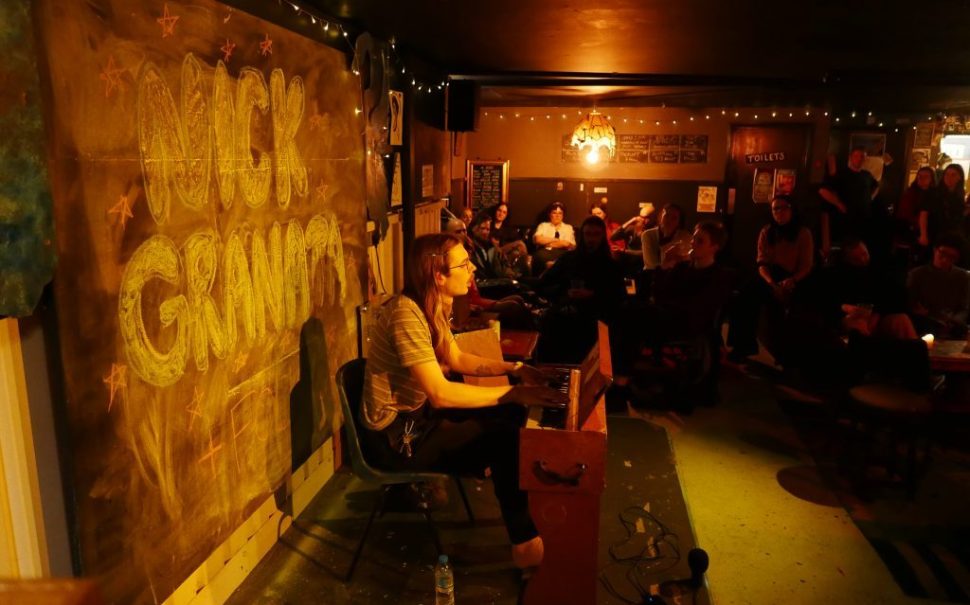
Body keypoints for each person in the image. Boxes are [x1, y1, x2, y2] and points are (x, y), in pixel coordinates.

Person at [361, 233, 567, 569]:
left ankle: (520, 515)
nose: (471, 268)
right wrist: (511, 391)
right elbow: (440, 394)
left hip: (418, 419)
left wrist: (515, 370)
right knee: (505, 438)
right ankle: (524, 542)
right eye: (462, 263)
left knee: (511, 416)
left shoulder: (429, 305)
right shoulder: (406, 314)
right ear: (438, 275)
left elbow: (456, 358)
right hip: (397, 439)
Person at [727, 195, 814, 362]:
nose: (779, 212)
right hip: (769, 276)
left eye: (784, 208)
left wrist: (792, 280)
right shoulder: (767, 232)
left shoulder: (803, 233)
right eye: (775, 209)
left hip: (793, 277)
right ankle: (743, 346)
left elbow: (806, 266)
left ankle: (787, 354)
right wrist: (770, 283)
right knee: (743, 296)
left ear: (792, 209)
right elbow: (762, 263)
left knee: (790, 305)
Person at [536, 215, 626, 362]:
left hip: (596, 316)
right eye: (588, 234)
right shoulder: (568, 259)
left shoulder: (610, 266)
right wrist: (565, 293)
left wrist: (593, 294)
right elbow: (543, 284)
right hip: (566, 310)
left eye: (596, 234)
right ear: (582, 236)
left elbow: (619, 296)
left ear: (602, 236)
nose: (591, 239)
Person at [818, 146, 879, 261]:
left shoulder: (867, 175)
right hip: (846, 219)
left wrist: (870, 197)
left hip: (864, 218)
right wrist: (838, 203)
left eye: (862, 156)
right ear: (851, 158)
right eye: (856, 156)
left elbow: (877, 186)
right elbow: (822, 191)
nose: (859, 159)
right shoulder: (842, 174)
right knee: (847, 250)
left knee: (861, 251)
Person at [907, 234, 970, 338]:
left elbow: (964, 308)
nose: (945, 259)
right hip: (925, 323)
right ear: (935, 250)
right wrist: (916, 309)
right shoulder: (917, 274)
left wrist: (954, 321)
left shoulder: (963, 277)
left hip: (952, 325)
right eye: (943, 253)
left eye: (951, 257)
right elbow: (910, 301)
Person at [896, 167, 934, 262]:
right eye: (919, 176)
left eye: (926, 176)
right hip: (912, 231)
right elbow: (905, 214)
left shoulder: (934, 194)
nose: (921, 179)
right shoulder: (911, 193)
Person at [641, 203, 692, 270]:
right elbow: (651, 265)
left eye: (674, 218)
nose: (669, 220)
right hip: (652, 275)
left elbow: (688, 259)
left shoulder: (685, 236)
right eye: (666, 215)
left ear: (679, 222)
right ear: (661, 217)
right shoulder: (648, 235)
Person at [531, 202, 576, 275]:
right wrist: (556, 239)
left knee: (567, 260)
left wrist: (546, 242)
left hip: (562, 254)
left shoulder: (568, 227)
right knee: (539, 257)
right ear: (550, 215)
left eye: (560, 213)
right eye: (554, 213)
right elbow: (538, 240)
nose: (557, 216)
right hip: (544, 253)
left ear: (563, 215)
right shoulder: (543, 226)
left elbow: (566, 244)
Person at [489, 202, 529, 275]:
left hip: (505, 253)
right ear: (495, 211)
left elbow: (515, 240)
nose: (501, 214)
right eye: (499, 210)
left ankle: (513, 273)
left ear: (506, 215)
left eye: (504, 212)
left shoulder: (508, 228)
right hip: (493, 251)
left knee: (517, 251)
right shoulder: (489, 225)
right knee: (520, 243)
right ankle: (525, 270)